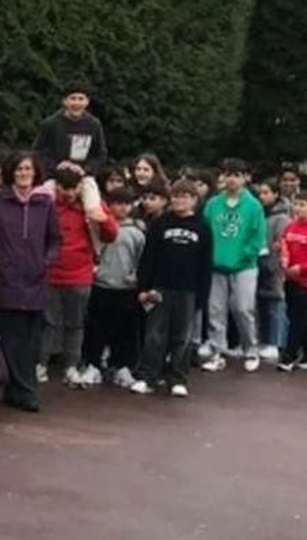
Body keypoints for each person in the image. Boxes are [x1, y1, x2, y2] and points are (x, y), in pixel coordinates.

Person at [0, 151, 61, 412]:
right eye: (19, 169)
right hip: (5, 277)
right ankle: (24, 390)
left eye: (28, 169)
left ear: (35, 172)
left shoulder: (45, 203)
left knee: (30, 339)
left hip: (35, 280)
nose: (24, 173)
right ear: (11, 172)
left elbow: (55, 240)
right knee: (9, 337)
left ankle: (21, 388)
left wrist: (45, 261)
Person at [131, 181, 212, 397]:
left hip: (188, 290)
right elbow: (148, 257)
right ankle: (147, 376)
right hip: (160, 288)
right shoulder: (160, 223)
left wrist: (202, 296)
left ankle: (177, 378)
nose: (180, 200)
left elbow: (206, 264)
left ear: (195, 199)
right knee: (154, 335)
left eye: (185, 196)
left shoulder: (203, 227)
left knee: (182, 336)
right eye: (176, 195)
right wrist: (143, 286)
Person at [42, 166, 118, 388]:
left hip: (79, 275)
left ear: (80, 186)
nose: (69, 193)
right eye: (64, 188)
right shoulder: (47, 203)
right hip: (51, 272)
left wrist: (102, 219)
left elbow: (112, 234)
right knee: (48, 322)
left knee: (75, 324)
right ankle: (41, 363)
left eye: (73, 188)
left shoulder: (91, 205)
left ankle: (71, 366)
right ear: (56, 186)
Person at [199, 159, 268, 373]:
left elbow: (258, 237)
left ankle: (250, 349)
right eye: (228, 174)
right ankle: (217, 351)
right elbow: (205, 231)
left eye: (237, 175)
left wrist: (244, 256)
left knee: (242, 308)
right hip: (216, 265)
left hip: (244, 266)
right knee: (215, 310)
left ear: (245, 178)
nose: (232, 179)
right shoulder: (213, 204)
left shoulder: (253, 205)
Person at [82, 188, 145, 388]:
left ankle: (122, 367)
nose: (122, 208)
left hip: (126, 289)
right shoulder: (98, 227)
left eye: (126, 204)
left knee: (125, 331)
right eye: (117, 203)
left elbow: (142, 258)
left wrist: (136, 276)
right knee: (96, 329)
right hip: (101, 285)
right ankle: (93, 364)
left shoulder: (136, 232)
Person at [33, 83, 108, 175]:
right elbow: (38, 152)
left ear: (87, 102)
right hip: (53, 175)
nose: (76, 103)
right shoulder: (50, 123)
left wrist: (85, 169)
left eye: (81, 99)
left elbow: (101, 155)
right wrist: (56, 166)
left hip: (83, 175)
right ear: (64, 101)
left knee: (91, 189)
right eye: (73, 98)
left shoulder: (94, 124)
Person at [255, 179, 291, 356]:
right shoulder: (260, 213)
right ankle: (264, 340)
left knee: (276, 304)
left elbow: (280, 243)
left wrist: (274, 262)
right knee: (261, 305)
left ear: (276, 194)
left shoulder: (282, 218)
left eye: (266, 192)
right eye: (260, 192)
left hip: (273, 266)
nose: (262, 196)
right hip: (259, 263)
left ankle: (276, 342)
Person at [277, 192, 307, 371]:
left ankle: (290, 355)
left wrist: (302, 269)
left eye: (303, 205)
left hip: (304, 280)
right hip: (290, 279)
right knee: (294, 316)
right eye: (297, 204)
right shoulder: (290, 227)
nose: (298, 209)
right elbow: (284, 247)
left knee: (299, 319)